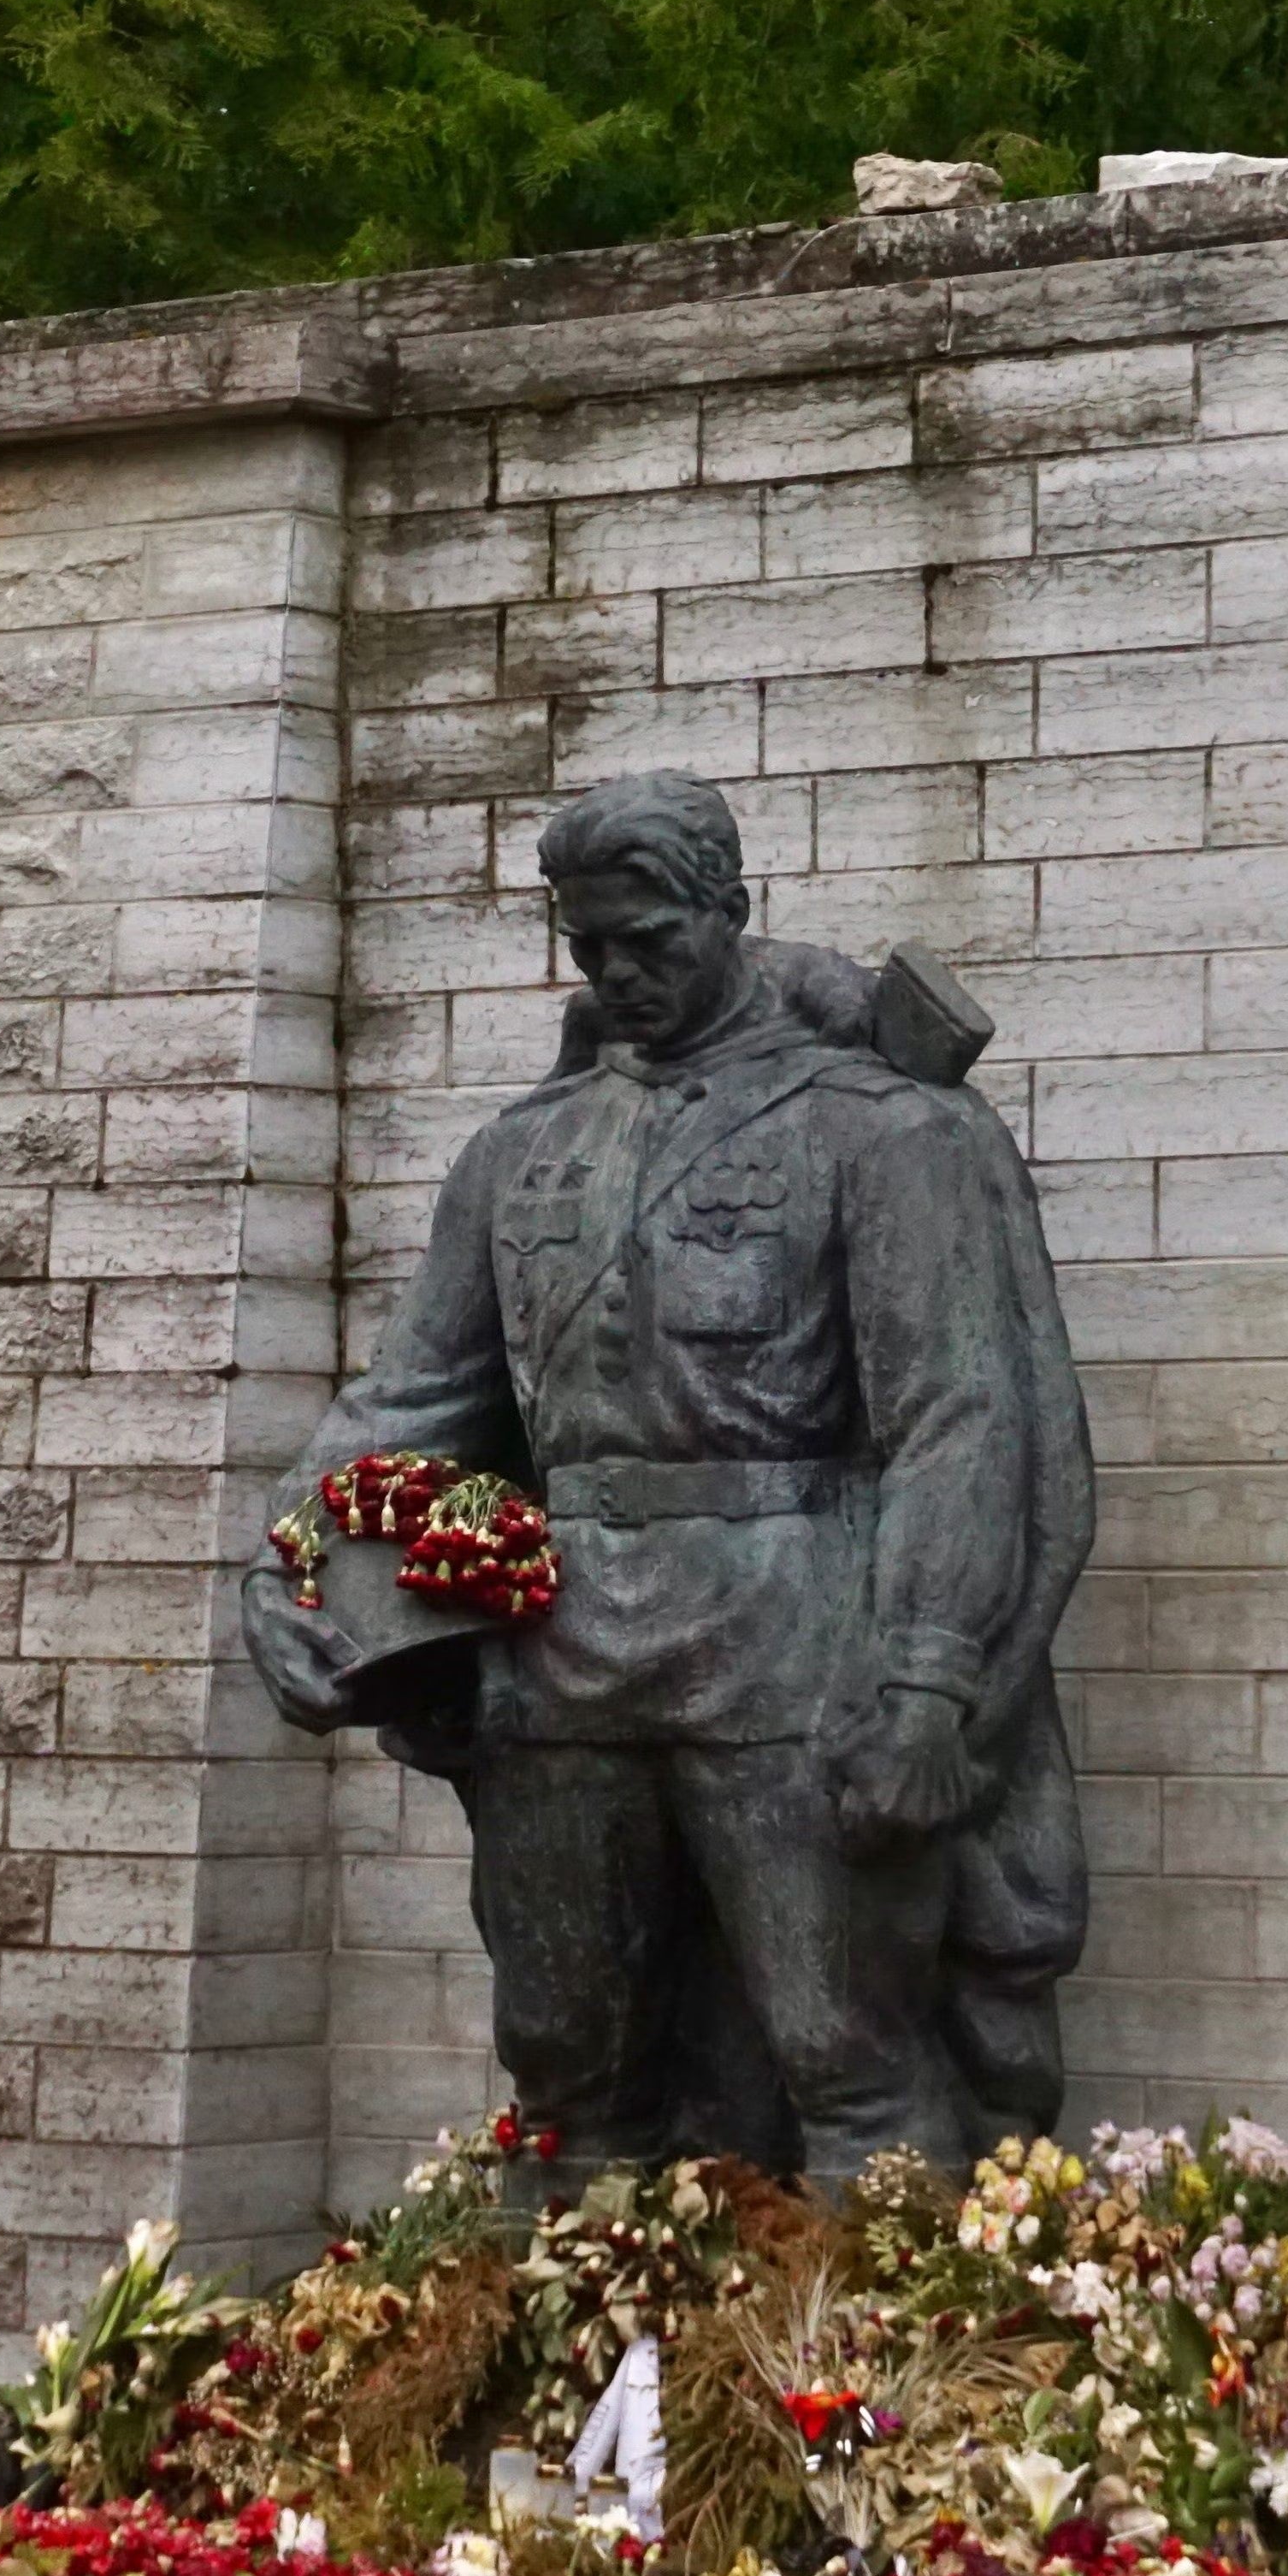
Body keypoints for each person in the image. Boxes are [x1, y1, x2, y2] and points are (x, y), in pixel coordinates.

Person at [242, 771, 1092, 2182]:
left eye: (651, 938)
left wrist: (930, 1681)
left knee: (851, 2066)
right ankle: (576, 2372)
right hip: (560, 1660)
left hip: (796, 1651)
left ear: (730, 913)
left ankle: (871, 2397)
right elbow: (415, 1400)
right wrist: (297, 1562)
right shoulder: (523, 1152)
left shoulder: (876, 1131)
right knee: (568, 2067)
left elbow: (959, 1422)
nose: (620, 974)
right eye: (591, 948)